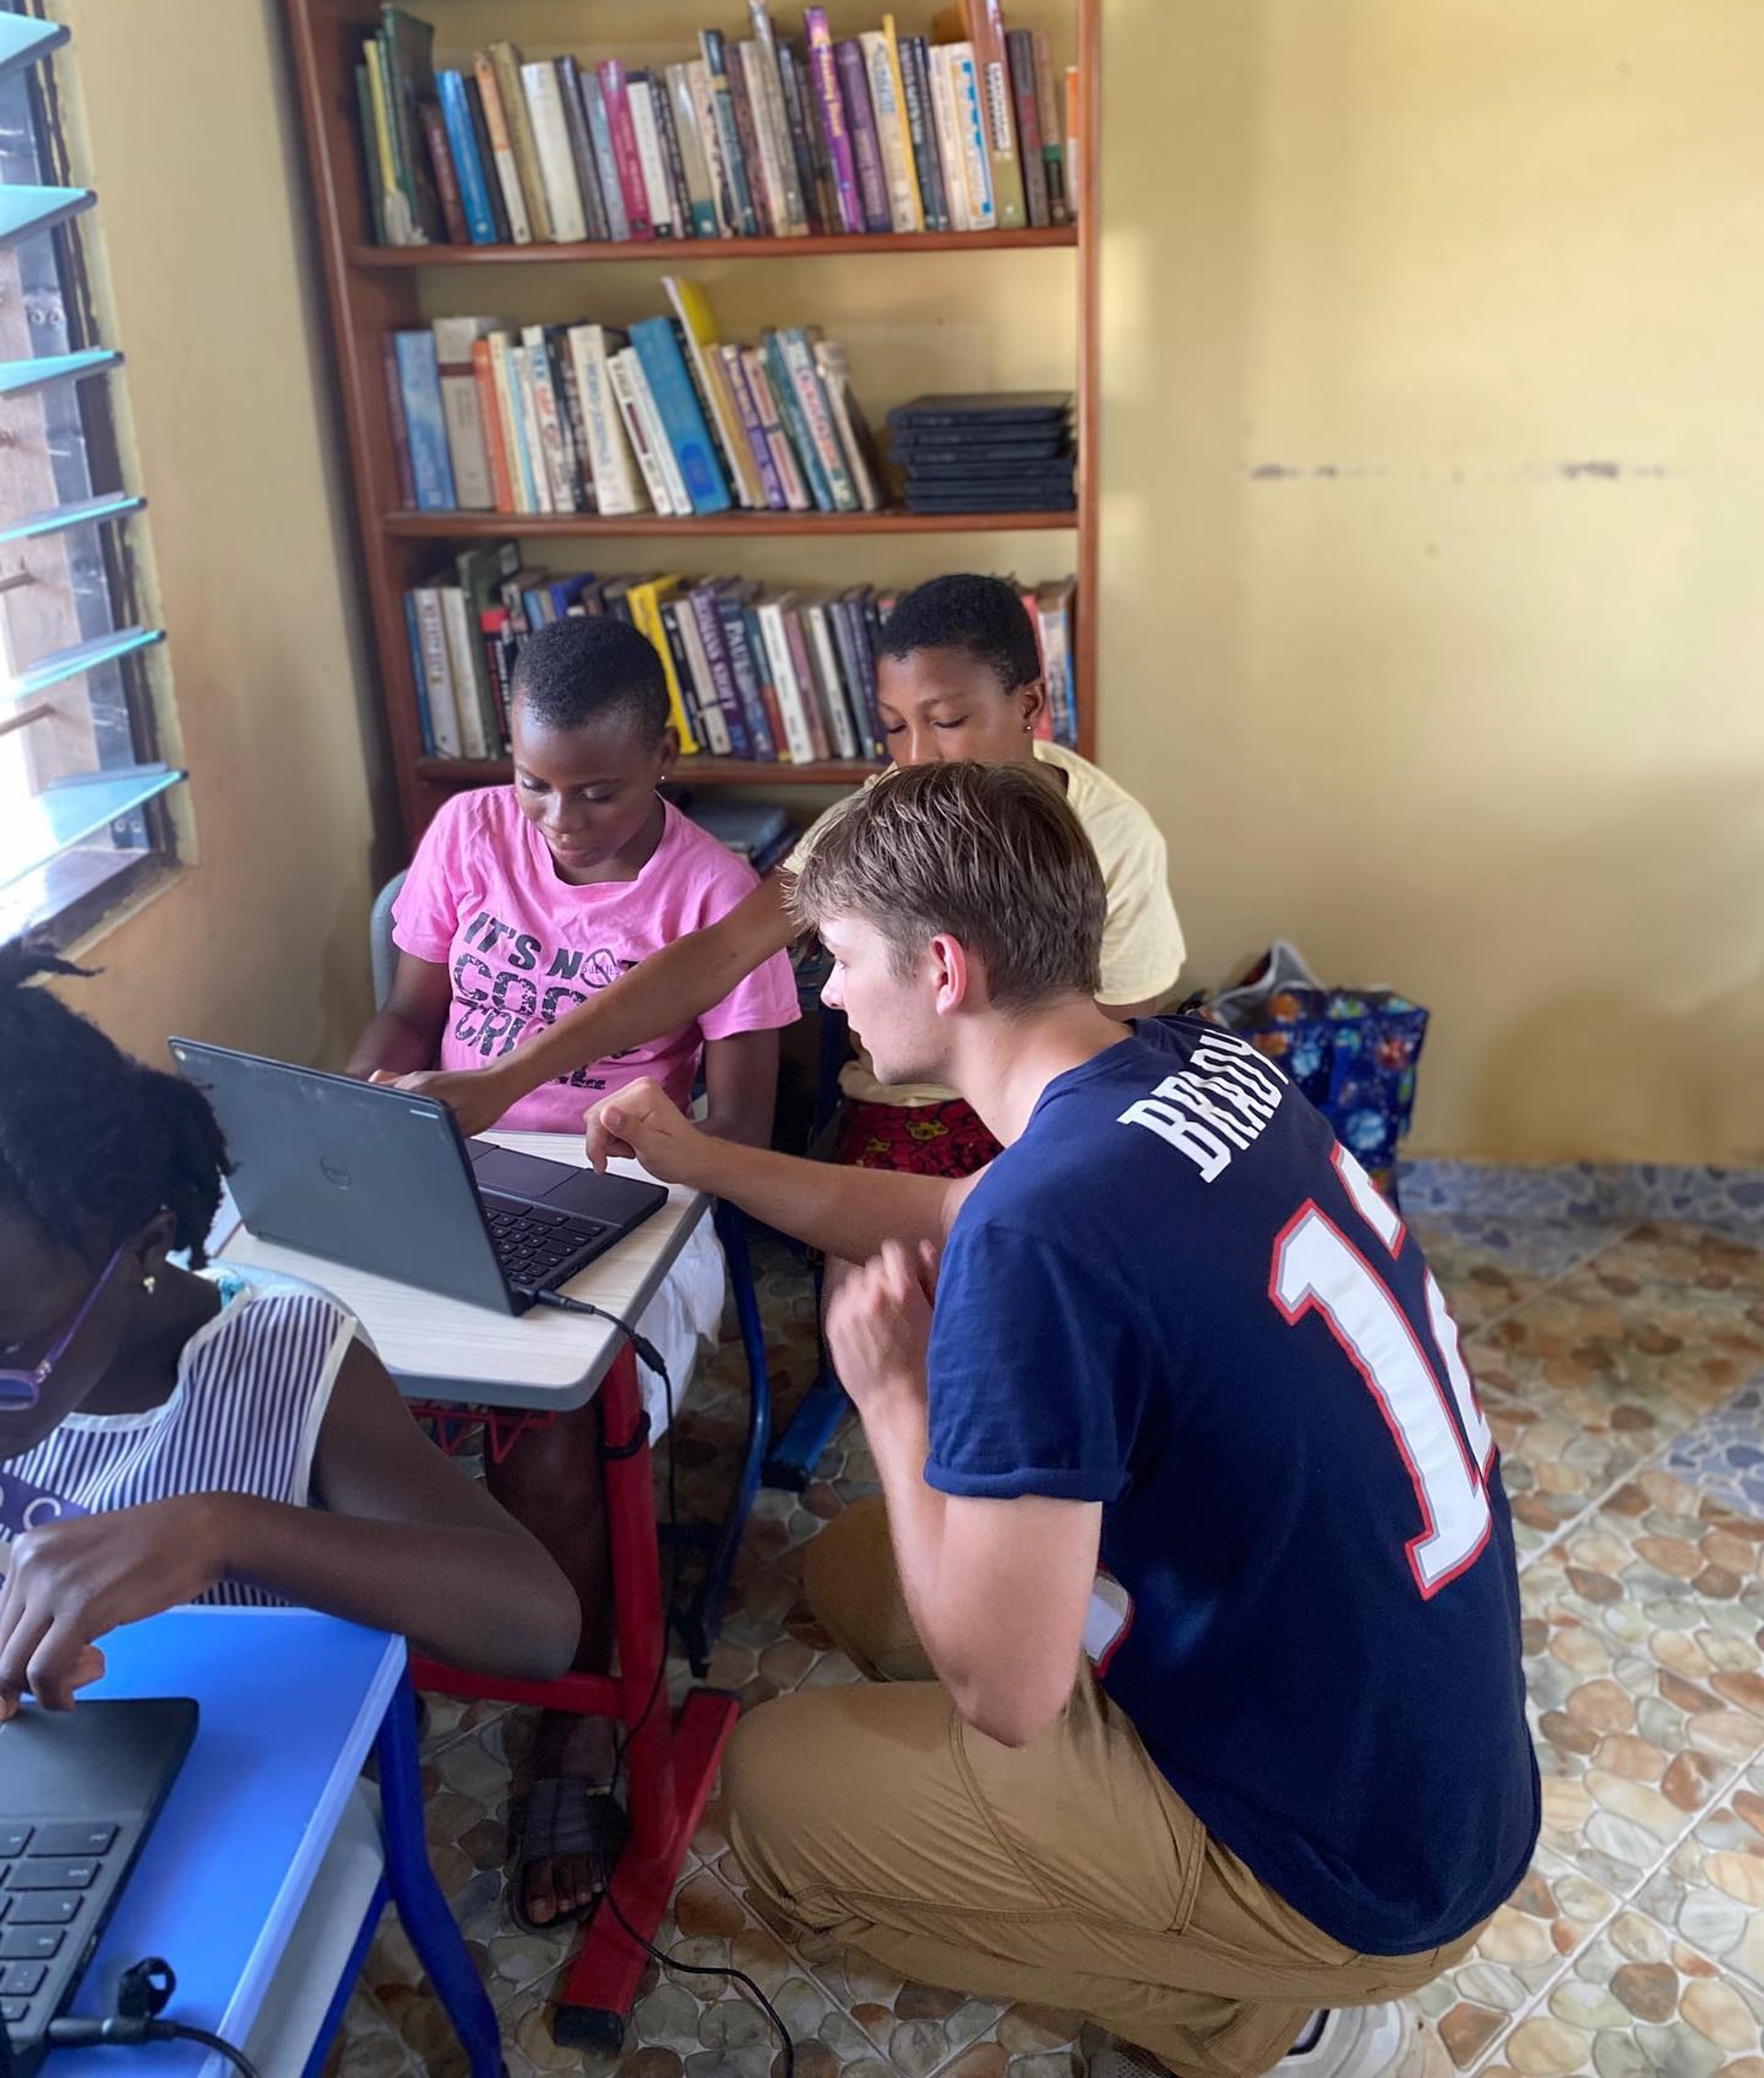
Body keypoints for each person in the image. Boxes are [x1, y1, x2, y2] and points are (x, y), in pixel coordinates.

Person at [576, 764, 1540, 2078]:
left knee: (776, 1796)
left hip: (1351, 1867)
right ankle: (1203, 1910)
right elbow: (963, 1213)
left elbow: (1007, 1692)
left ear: (946, 970)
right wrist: (700, 1158)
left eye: (844, 957)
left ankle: (1272, 2017)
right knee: (860, 1570)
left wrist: (896, 1398)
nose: (829, 992)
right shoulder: (1182, 1061)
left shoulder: (1050, 1233)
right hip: (1423, 1753)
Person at [346, 613, 797, 1928]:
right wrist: (375, 1089)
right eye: (536, 781)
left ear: (666, 755)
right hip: (455, 1158)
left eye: (597, 789)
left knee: (554, 1416)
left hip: (639, 1195)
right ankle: (401, 1636)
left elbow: (741, 1135)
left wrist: (639, 1153)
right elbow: (410, 1014)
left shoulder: (715, 898)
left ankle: (584, 1710)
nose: (559, 818)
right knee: (301, 1350)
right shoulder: (470, 836)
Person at [379, 575, 1184, 1180]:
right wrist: (504, 1078)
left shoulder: (1114, 838)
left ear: (1031, 703)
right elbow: (718, 955)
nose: (914, 759)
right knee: (883, 1304)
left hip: (1053, 1120)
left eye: (946, 723)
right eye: (896, 728)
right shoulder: (877, 817)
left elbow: (1122, 1051)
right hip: (908, 1113)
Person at [0, 939, 580, 1723]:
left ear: (142, 1246)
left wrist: (226, 1529)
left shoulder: (285, 1357)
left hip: (266, 1782)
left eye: (8, 1345)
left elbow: (538, 1623)